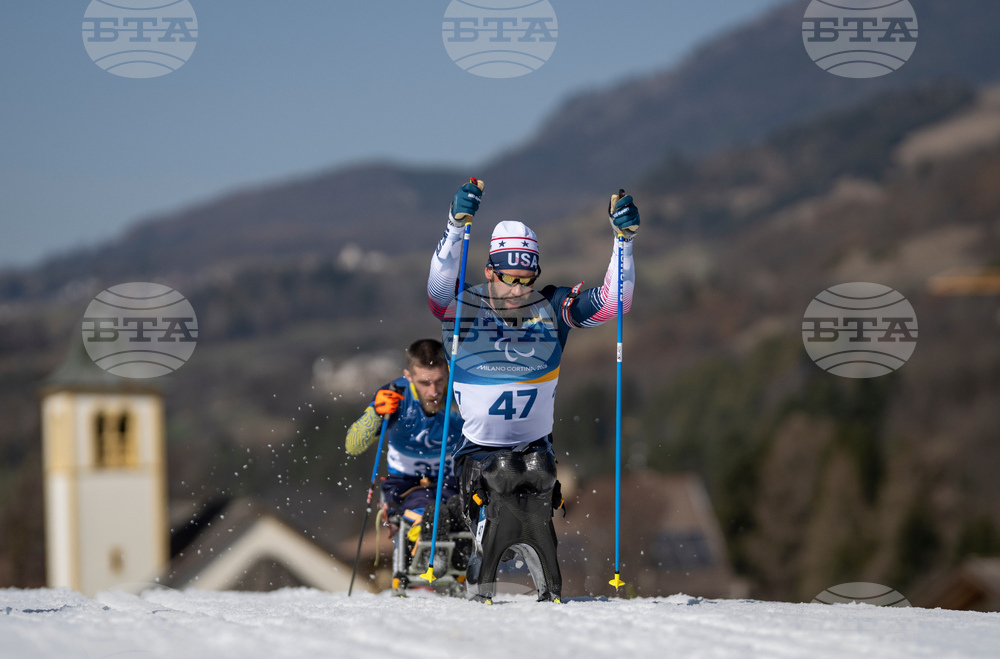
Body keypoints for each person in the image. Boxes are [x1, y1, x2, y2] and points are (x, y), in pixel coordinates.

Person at [426, 178, 639, 602]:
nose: (518, 290)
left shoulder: (550, 308)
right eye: (508, 278)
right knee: (502, 472)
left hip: (536, 450)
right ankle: (482, 546)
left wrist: (625, 243)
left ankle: (542, 565)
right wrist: (454, 227)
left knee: (536, 468)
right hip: (478, 456)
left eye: (527, 279)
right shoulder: (466, 309)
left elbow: (616, 303)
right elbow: (436, 294)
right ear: (490, 270)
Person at [345, 339, 466, 592]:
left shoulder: (460, 393)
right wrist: (374, 415)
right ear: (408, 376)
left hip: (451, 481)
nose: (433, 391)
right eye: (424, 382)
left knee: (462, 502)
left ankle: (449, 524)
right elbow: (352, 445)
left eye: (439, 381)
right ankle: (430, 540)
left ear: (448, 372)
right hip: (407, 485)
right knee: (424, 507)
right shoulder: (395, 396)